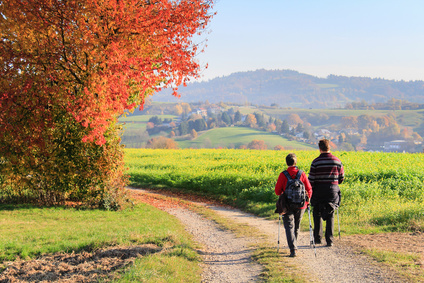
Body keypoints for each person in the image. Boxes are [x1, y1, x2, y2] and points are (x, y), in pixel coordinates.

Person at [275, 153, 312, 257]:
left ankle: (293, 249)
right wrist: (307, 201)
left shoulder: (283, 175)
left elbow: (277, 191)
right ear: (296, 162)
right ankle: (295, 246)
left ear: (286, 162)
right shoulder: (302, 174)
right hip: (301, 205)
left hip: (287, 205)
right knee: (296, 225)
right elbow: (309, 189)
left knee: (289, 226)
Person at [308, 139, 344, 247]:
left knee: (317, 212)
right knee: (330, 212)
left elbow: (311, 180)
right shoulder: (337, 161)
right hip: (332, 189)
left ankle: (318, 238)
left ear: (319, 149)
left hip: (318, 189)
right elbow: (341, 178)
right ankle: (330, 240)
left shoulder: (315, 162)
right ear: (330, 147)